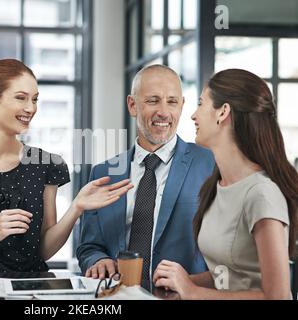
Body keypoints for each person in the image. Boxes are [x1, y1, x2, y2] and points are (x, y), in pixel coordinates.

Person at [0, 58, 133, 277]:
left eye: (34, 99)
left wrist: (76, 208)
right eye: (21, 98)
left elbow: (43, 251)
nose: (30, 108)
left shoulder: (45, 164)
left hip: (31, 291)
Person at [152, 68, 298, 299]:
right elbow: (230, 273)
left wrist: (192, 291)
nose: (193, 116)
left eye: (201, 104)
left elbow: (277, 296)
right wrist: (182, 281)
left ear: (223, 112)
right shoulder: (217, 185)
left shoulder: (261, 194)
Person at [77, 64, 215, 290]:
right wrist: (97, 260)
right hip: (117, 298)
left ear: (181, 106)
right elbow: (89, 246)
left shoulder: (209, 164)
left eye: (172, 102)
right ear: (132, 105)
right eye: (153, 101)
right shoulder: (103, 173)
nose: (163, 112)